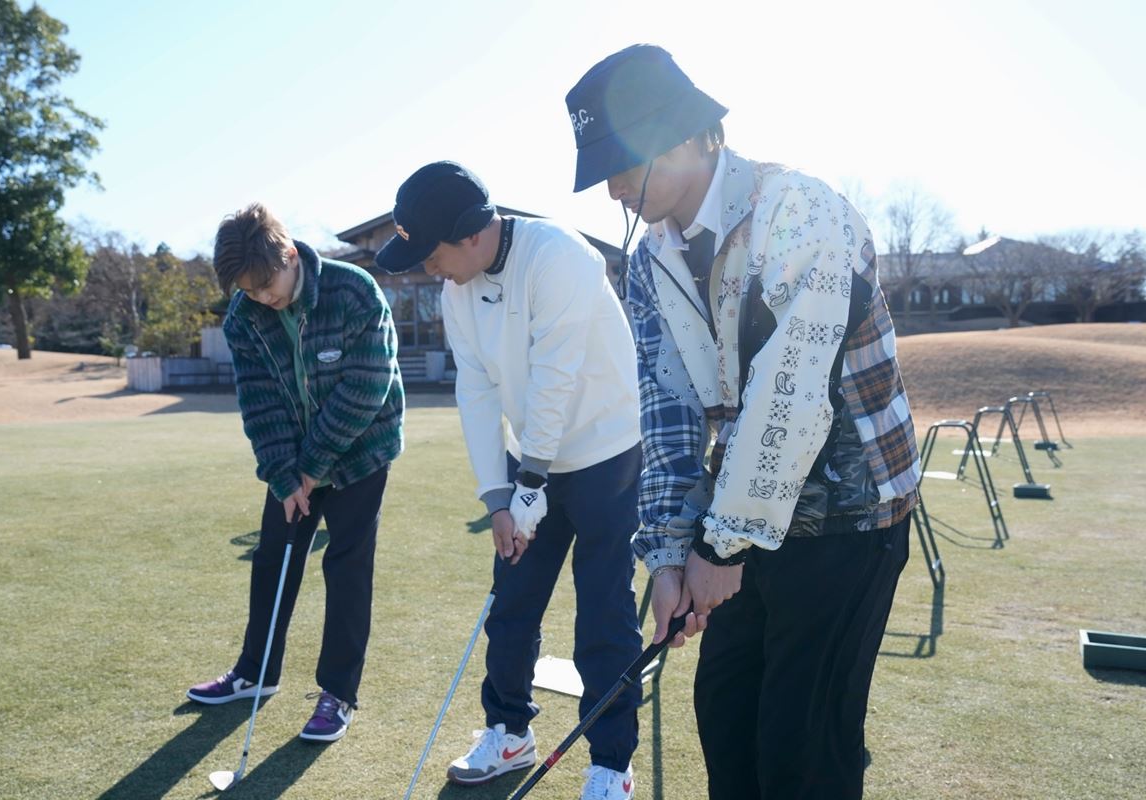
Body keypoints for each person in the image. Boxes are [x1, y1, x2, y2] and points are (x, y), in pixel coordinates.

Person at [565, 45, 922, 800]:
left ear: (685, 135)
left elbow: (789, 397)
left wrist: (719, 546)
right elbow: (666, 413)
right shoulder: (648, 260)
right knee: (725, 725)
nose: (614, 189)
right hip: (744, 511)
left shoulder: (802, 211)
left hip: (850, 514)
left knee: (802, 751)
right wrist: (670, 555)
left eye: (622, 164)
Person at [375, 162, 643, 799]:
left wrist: (529, 483)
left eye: (432, 254)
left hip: (606, 455)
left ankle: (611, 765)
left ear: (471, 234)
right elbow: (475, 391)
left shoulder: (559, 257)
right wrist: (499, 497)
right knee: (512, 606)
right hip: (531, 466)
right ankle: (509, 730)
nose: (429, 270)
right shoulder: (458, 291)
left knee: (604, 616)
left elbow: (555, 377)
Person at [186, 203, 404, 743]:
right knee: (272, 558)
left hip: (362, 451)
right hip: (294, 461)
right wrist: (285, 477)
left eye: (266, 285)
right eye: (248, 290)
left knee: (346, 566)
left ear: (288, 255)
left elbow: (366, 387)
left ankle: (338, 693)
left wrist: (312, 465)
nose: (262, 298)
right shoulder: (243, 316)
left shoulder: (353, 291)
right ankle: (256, 672)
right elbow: (260, 403)